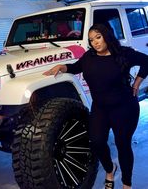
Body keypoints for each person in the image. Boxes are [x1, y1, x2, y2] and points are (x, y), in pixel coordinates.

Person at [43, 24, 148, 189]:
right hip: (100, 108)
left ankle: (127, 184)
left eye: (98, 37)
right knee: (96, 141)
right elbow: (75, 67)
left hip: (125, 108)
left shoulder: (125, 54)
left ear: (107, 35)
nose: (95, 43)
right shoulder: (89, 57)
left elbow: (146, 61)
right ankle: (109, 169)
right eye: (91, 40)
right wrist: (62, 67)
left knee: (123, 145)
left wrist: (137, 82)